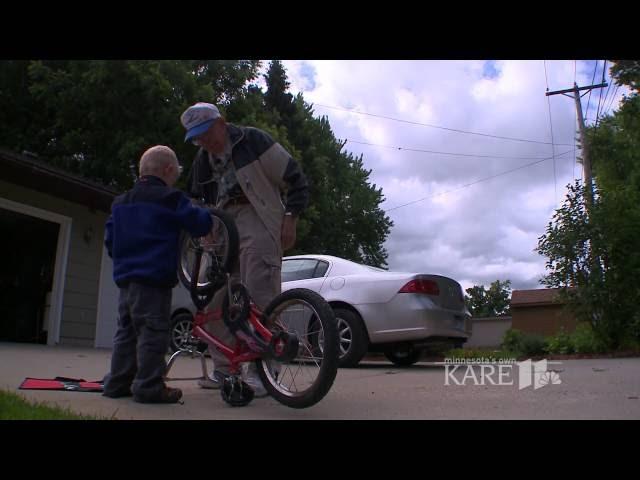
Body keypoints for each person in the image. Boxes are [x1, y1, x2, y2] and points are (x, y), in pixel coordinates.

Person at [180, 102, 309, 396]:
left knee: (259, 292)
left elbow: (295, 177)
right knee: (213, 297)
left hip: (257, 215)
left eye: (206, 133)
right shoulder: (202, 160)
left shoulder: (252, 140)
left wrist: (291, 217)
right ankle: (225, 370)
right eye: (196, 137)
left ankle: (263, 374)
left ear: (221, 123)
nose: (203, 142)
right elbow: (194, 199)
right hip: (222, 224)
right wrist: (204, 229)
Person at [103, 145, 213, 404]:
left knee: (126, 332)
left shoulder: (121, 202)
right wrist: (206, 212)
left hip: (126, 281)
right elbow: (200, 223)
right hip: (154, 279)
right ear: (169, 170)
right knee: (153, 333)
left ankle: (118, 382)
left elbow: (110, 239)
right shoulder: (170, 198)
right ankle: (149, 386)